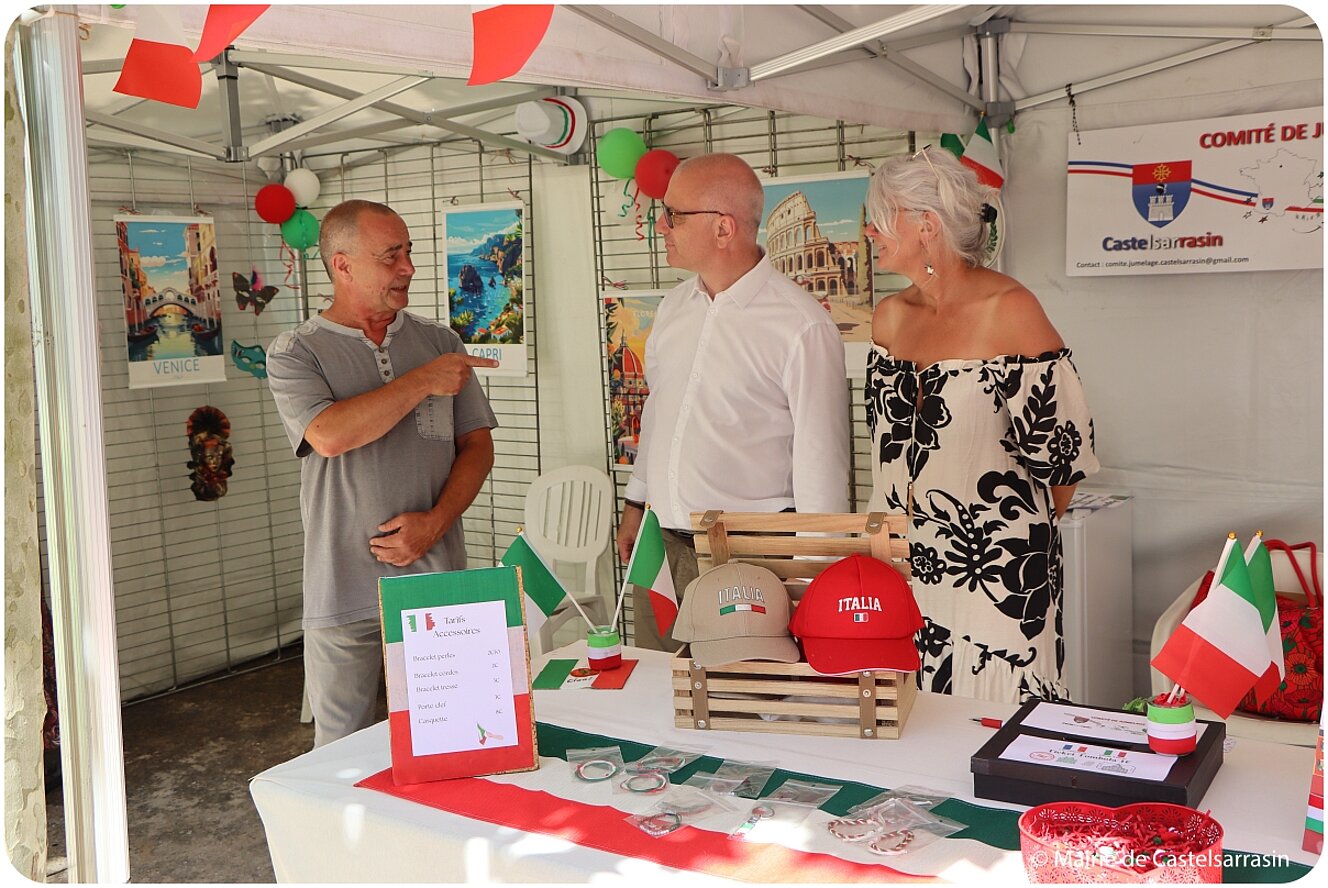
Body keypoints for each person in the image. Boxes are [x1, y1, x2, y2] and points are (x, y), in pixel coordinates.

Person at [864, 146, 1099, 703]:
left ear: (927, 225)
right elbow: (885, 450)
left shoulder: (1010, 310)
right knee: (910, 724)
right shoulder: (889, 318)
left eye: (880, 217)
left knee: (997, 729)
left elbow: (1063, 463)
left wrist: (998, 534)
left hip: (998, 578)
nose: (869, 231)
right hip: (901, 566)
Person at [267, 199, 500, 747]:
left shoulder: (439, 343)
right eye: (391, 255)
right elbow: (329, 435)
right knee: (339, 751)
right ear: (342, 265)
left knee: (454, 739)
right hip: (340, 585)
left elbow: (477, 447)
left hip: (435, 579)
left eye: (408, 252)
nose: (408, 268)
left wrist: (436, 522)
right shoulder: (296, 352)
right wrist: (423, 381)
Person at [616, 153, 852, 652]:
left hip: (751, 553)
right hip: (664, 542)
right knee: (660, 682)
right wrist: (636, 502)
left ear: (724, 228)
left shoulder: (801, 325)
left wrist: (813, 580)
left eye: (673, 215)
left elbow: (822, 465)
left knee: (742, 690)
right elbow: (659, 412)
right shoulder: (674, 307)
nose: (661, 226)